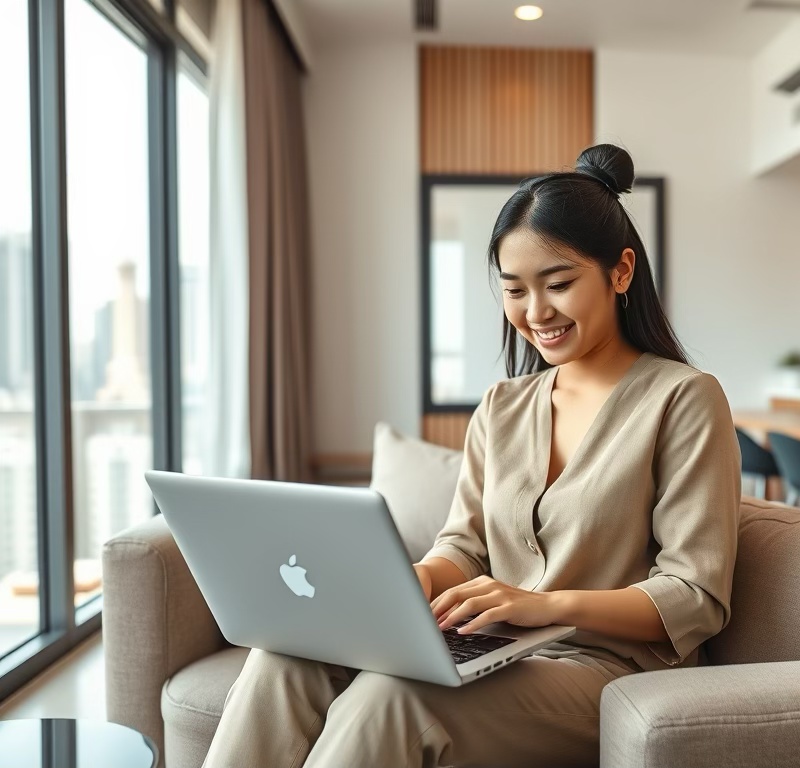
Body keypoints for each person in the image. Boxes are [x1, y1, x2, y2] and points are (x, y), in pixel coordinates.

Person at [202, 144, 741, 768]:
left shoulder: (684, 398)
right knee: (287, 656)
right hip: (493, 646)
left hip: (608, 668)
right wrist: (411, 584)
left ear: (620, 272)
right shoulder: (503, 407)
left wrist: (545, 605)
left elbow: (695, 594)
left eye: (559, 284)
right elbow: (463, 546)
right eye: (515, 290)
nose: (536, 313)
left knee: (394, 698)